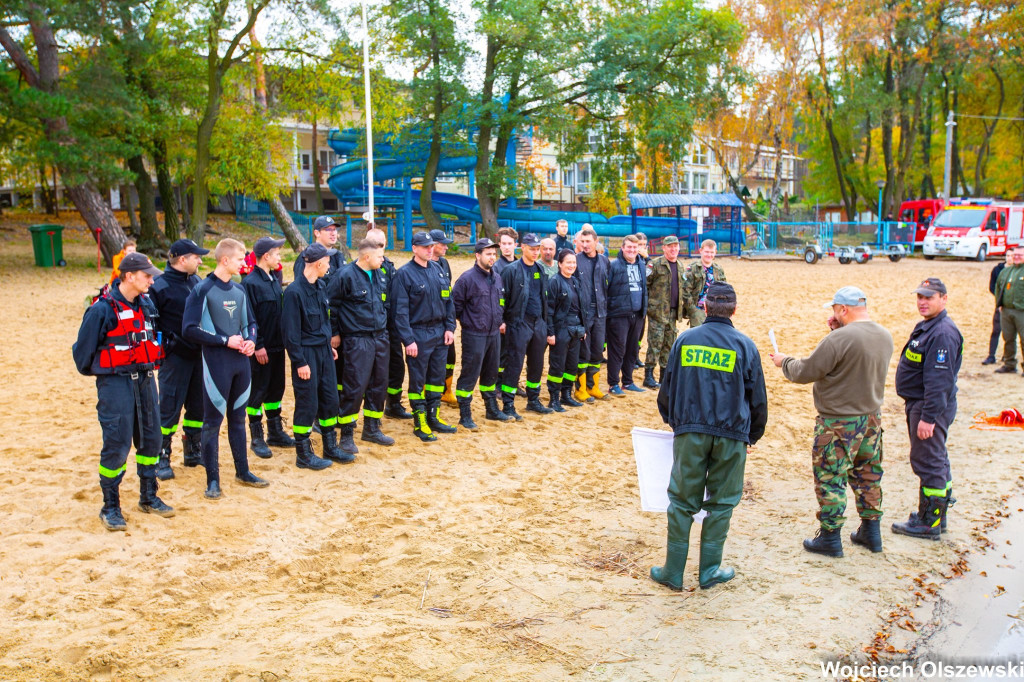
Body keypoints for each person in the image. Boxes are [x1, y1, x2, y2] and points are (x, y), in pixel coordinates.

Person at [651, 282, 767, 590]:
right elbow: (758, 400)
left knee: (681, 500)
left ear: (705, 307)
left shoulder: (685, 340)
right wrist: (750, 436)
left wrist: (674, 421)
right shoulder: (746, 346)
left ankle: (673, 572)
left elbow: (667, 388)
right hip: (731, 435)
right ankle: (710, 570)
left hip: (691, 430)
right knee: (722, 502)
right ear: (734, 310)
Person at [770, 286, 893, 557]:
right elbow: (851, 362)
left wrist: (784, 361)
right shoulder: (885, 336)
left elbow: (806, 371)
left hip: (839, 422)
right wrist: (837, 331)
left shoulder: (840, 339)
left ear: (843, 310)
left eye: (835, 309)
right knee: (868, 474)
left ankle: (830, 537)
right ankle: (871, 532)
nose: (833, 314)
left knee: (830, 477)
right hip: (871, 419)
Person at [74, 252, 174, 531]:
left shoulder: (147, 305)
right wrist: (107, 374)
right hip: (115, 383)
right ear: (129, 276)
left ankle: (148, 496)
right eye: (147, 275)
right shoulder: (101, 309)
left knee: (151, 438)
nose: (152, 280)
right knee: (117, 444)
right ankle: (110, 505)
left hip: (145, 379)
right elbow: (82, 354)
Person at [183, 239, 268, 499]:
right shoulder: (202, 290)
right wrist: (224, 340)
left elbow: (250, 322)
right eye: (242, 259)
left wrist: (251, 340)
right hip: (216, 363)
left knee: (238, 419)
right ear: (225, 260)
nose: (246, 263)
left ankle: (243, 471)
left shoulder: (239, 290)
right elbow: (189, 329)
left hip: (240, 363)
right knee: (212, 423)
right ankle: (212, 480)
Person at [892, 278, 963, 539]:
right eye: (920, 296)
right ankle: (934, 514)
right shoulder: (930, 326)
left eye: (929, 297)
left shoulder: (942, 332)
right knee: (936, 458)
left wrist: (928, 418)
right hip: (923, 404)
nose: (923, 301)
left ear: (943, 299)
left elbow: (939, 380)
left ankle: (929, 523)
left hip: (929, 407)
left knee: (928, 461)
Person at [151, 238, 210, 479]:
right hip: (174, 359)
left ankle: (192, 449)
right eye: (196, 257)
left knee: (198, 406)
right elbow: (150, 325)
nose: (200, 260)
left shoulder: (196, 281)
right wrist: (167, 346)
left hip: (198, 355)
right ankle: (161, 455)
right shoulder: (159, 286)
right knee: (168, 409)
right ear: (182, 259)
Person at [328, 238, 394, 454]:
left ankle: (372, 428)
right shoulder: (345, 275)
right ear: (366, 257)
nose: (383, 259)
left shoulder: (380, 275)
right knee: (355, 385)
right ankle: (347, 432)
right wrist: (335, 333)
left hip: (380, 337)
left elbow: (386, 304)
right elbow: (332, 306)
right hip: (357, 339)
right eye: (379, 256)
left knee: (379, 384)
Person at [282, 243, 344, 470]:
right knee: (308, 402)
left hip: (324, 351)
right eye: (327, 263)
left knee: (330, 399)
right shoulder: (293, 293)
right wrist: (299, 362)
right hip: (306, 353)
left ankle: (330, 446)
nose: (329, 266)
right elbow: (290, 333)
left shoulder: (320, 287)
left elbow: (325, 321)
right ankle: (303, 454)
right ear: (318, 264)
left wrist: (329, 346)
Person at [392, 231, 458, 441]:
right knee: (418, 381)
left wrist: (450, 328)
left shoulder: (438, 270)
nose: (429, 250)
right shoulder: (404, 274)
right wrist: (408, 339)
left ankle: (433, 416)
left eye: (431, 246)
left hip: (440, 333)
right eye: (424, 247)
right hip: (418, 334)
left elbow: (449, 302)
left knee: (436, 379)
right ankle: (420, 421)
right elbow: (400, 311)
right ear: (414, 248)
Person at [242, 237, 295, 459]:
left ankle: (275, 431)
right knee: (258, 391)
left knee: (276, 389)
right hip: (261, 349)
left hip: (277, 346)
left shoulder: (274, 278)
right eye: (276, 253)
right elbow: (249, 317)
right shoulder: (250, 283)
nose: (279, 257)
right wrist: (259, 345)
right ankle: (257, 435)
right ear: (266, 256)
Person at [451, 238, 507, 429]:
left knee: (491, 373)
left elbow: (501, 302)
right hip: (474, 334)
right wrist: (468, 322)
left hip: (493, 334)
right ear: (477, 255)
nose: (492, 257)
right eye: (488, 254)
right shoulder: (467, 279)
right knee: (469, 374)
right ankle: (465, 414)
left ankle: (491, 409)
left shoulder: (497, 277)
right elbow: (455, 306)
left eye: (494, 254)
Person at [500, 232, 553, 418]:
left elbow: (544, 298)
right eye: (532, 248)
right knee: (514, 364)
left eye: (537, 249)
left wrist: (545, 324)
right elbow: (501, 298)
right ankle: (507, 403)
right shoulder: (511, 270)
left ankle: (533, 400)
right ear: (522, 247)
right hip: (518, 323)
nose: (535, 252)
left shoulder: (540, 269)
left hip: (538, 323)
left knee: (537, 364)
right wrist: (503, 321)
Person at [366, 227, 413, 421]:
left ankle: (393, 404)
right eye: (374, 245)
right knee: (371, 373)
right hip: (369, 330)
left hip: (390, 327)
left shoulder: (389, 267)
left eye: (381, 245)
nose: (378, 249)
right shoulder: (361, 268)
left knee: (396, 367)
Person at [545, 249, 588, 412]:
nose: (572, 265)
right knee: (557, 365)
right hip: (561, 330)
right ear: (560, 264)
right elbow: (549, 310)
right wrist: (551, 333)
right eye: (568, 262)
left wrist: (583, 328)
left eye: (574, 263)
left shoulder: (576, 282)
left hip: (577, 330)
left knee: (571, 366)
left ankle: (566, 395)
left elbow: (582, 307)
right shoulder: (554, 282)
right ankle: (554, 399)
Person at [605, 234, 648, 395]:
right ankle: (613, 383)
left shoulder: (641, 265)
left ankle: (628, 382)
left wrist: (643, 311)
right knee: (617, 350)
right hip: (619, 314)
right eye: (629, 247)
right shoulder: (614, 265)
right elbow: (606, 290)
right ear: (622, 248)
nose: (632, 250)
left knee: (632, 349)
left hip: (637, 315)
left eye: (635, 247)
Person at [573, 226, 610, 402]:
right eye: (583, 242)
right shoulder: (576, 261)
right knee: (583, 352)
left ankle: (593, 386)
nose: (585, 245)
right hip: (583, 314)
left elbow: (607, 287)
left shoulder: (604, 261)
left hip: (601, 313)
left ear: (596, 242)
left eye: (588, 242)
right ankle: (580, 389)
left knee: (597, 351)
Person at [643, 235, 685, 389]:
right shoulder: (655, 265)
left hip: (673, 313)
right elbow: (645, 286)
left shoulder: (680, 266)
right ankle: (648, 376)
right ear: (664, 248)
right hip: (657, 313)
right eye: (670, 246)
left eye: (676, 246)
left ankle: (664, 376)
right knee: (655, 344)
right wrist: (649, 307)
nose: (673, 249)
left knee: (669, 345)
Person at [429, 229, 459, 406]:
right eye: (442, 244)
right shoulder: (421, 266)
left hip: (445, 321)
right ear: (432, 245)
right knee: (430, 361)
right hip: (427, 322)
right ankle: (429, 392)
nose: (446, 246)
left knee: (450, 358)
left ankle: (446, 391)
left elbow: (449, 293)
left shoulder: (445, 263)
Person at [681, 239, 726, 327]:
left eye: (712, 252)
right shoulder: (692, 268)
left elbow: (724, 290)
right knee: (698, 339)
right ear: (700, 251)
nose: (709, 255)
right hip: (698, 311)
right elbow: (685, 291)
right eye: (706, 252)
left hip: (715, 312)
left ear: (715, 252)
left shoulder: (719, 269)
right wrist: (693, 310)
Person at [994, 246, 1024, 374]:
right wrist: (999, 304)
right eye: (1014, 255)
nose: (1016, 257)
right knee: (1008, 338)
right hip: (1006, 311)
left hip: (1021, 311)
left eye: (1020, 255)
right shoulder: (1006, 271)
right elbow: (998, 287)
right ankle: (1009, 364)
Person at [983, 251, 1012, 365]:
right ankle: (991, 356)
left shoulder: (1019, 271)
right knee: (996, 330)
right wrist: (1000, 299)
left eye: (1012, 256)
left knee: (1010, 333)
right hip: (1000, 305)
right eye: (1008, 255)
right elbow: (992, 287)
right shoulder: (998, 269)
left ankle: (1007, 356)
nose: (1009, 258)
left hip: (1014, 307)